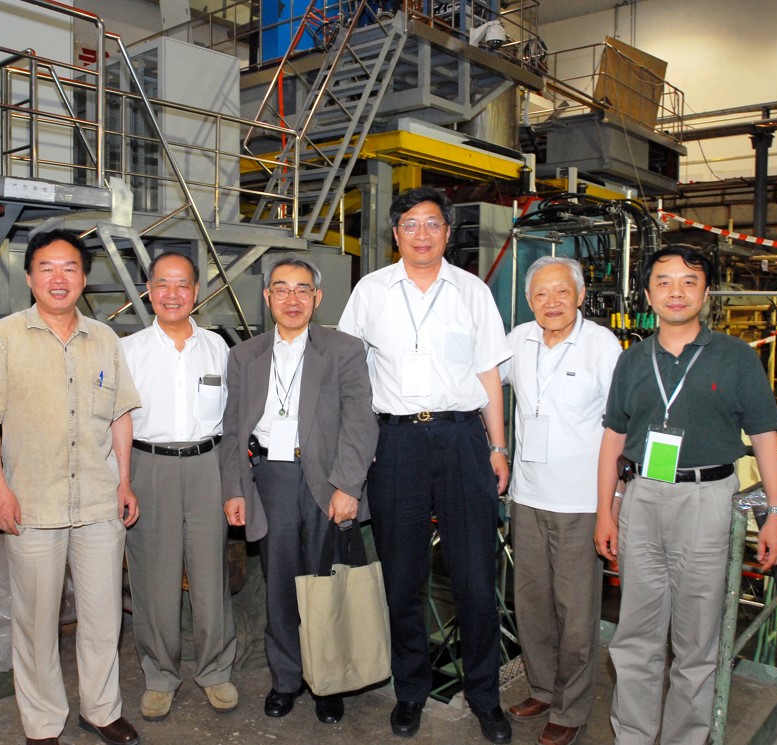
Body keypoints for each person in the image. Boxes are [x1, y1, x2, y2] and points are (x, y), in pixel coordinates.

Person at [338, 187, 513, 743]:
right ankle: (410, 690)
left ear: (447, 232)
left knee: (475, 577)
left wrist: (498, 446)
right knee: (402, 577)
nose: (421, 234)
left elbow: (488, 374)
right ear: (395, 234)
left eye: (432, 223)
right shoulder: (370, 291)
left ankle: (485, 696)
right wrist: (358, 446)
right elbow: (351, 375)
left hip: (462, 438)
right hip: (395, 444)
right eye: (410, 224)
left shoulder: (472, 292)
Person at [594, 245, 777, 744]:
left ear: (706, 292)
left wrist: (776, 513)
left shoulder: (736, 357)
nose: (675, 292)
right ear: (647, 294)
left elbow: (765, 436)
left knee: (697, 640)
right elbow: (614, 438)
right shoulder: (633, 359)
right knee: (636, 635)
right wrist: (606, 512)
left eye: (689, 281)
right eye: (663, 281)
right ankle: (633, 736)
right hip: (642, 497)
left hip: (708, 500)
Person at [0, 229, 142, 745]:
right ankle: (42, 722)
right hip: (33, 504)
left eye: (69, 268)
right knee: (36, 622)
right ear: (29, 277)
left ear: (84, 278)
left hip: (99, 502)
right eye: (46, 267)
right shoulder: (5, 337)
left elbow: (120, 417)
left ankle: (101, 710)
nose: (58, 278)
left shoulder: (105, 338)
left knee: (103, 617)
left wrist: (125, 482)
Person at [220, 254, 377, 725]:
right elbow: (232, 431)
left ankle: (328, 680)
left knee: (326, 584)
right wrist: (235, 489)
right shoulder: (244, 356)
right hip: (271, 478)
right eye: (282, 289)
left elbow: (360, 421)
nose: (293, 299)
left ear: (317, 297)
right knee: (281, 585)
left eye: (302, 289)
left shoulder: (344, 349)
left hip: (326, 479)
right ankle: (286, 679)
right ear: (267, 296)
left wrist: (347, 485)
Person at [500, 256, 621, 745]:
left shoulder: (602, 346)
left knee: (576, 613)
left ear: (580, 295)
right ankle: (542, 688)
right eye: (541, 294)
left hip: (581, 502)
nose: (552, 302)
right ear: (529, 300)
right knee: (531, 604)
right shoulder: (518, 340)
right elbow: (481, 381)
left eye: (562, 291)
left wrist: (612, 502)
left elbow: (621, 425)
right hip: (527, 496)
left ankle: (570, 709)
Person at [120, 251, 238, 721]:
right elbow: (116, 422)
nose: (173, 294)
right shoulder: (128, 350)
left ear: (196, 292)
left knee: (210, 574)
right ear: (149, 290)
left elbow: (232, 417)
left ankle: (215, 670)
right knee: (154, 577)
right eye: (163, 284)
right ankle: (160, 675)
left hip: (208, 465)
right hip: (150, 466)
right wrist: (122, 481)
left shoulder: (217, 348)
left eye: (182, 284)